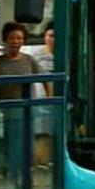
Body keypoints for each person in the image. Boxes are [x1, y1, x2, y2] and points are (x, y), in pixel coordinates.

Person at [0, 22, 49, 189]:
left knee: (27, 149)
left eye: (20, 38)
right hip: (8, 114)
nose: (16, 41)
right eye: (12, 38)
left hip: (28, 113)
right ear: (5, 40)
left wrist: (50, 100)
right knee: (11, 150)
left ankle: (27, 183)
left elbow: (45, 78)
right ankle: (14, 183)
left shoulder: (29, 60)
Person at [32, 21, 54, 168]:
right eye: (50, 35)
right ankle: (41, 162)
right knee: (41, 131)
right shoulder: (37, 54)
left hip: (58, 99)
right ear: (45, 36)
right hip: (41, 99)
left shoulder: (65, 54)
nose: (53, 39)